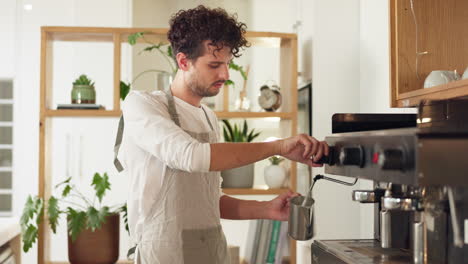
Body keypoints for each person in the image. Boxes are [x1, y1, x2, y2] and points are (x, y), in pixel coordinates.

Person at [115, 5, 329, 264]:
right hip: (164, 254)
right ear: (183, 61)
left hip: (212, 250)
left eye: (227, 64)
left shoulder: (208, 117)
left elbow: (209, 200)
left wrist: (266, 209)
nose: (225, 75)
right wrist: (279, 147)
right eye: (214, 65)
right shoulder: (143, 105)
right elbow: (191, 156)